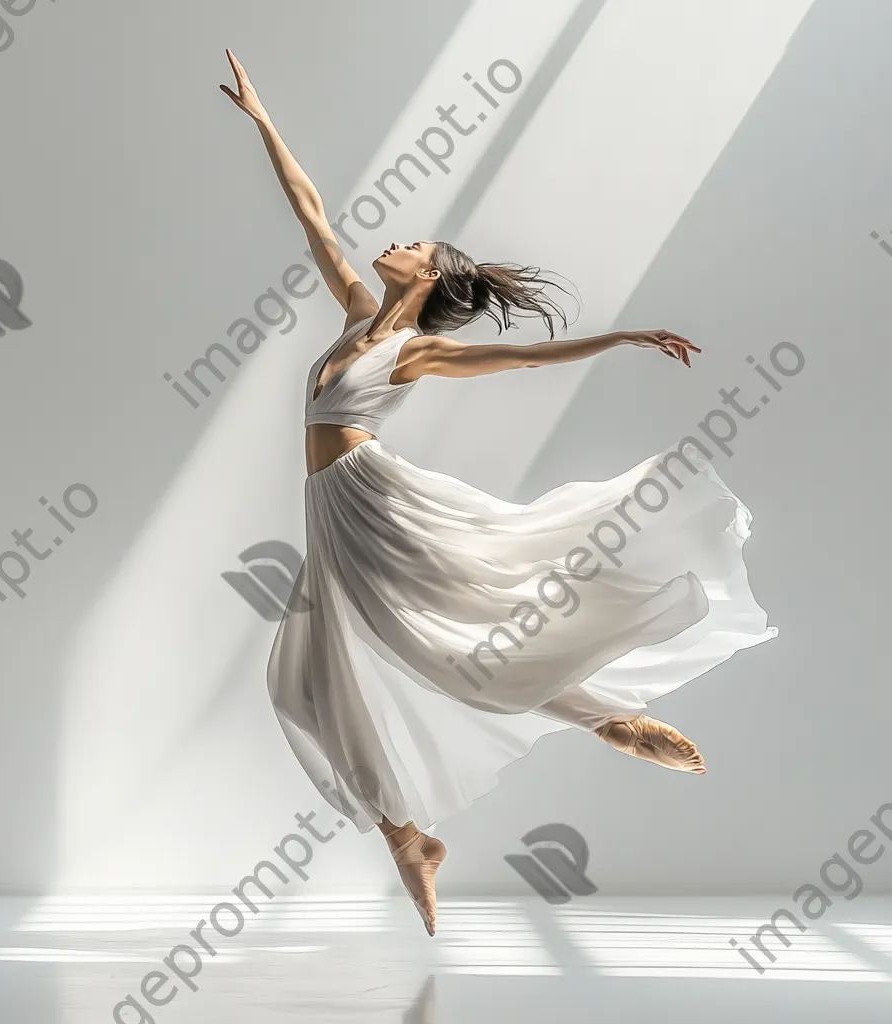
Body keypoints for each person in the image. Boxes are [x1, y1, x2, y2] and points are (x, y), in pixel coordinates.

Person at [221, 50, 776, 936]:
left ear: (430, 274)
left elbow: (520, 357)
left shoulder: (412, 351)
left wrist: (618, 339)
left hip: (373, 501)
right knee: (302, 684)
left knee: (455, 635)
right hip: (331, 510)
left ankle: (605, 720)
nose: (393, 242)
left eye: (413, 244)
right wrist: (263, 122)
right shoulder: (360, 315)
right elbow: (315, 219)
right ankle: (412, 837)